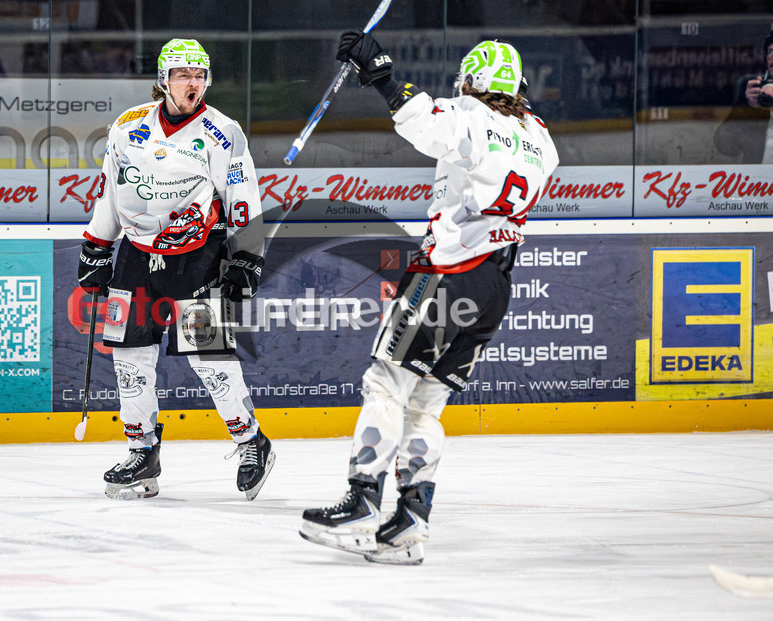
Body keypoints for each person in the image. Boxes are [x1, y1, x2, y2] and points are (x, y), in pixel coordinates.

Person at [300, 31, 559, 564]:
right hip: (494, 285)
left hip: (446, 272)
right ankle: (410, 525)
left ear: (472, 82)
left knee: (386, 384)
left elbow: (424, 122)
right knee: (426, 406)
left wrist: (382, 74)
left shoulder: (471, 115)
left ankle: (362, 504)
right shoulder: (541, 138)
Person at [77, 38, 274, 501]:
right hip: (135, 254)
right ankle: (142, 451)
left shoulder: (223, 132)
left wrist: (246, 257)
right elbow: (111, 191)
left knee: (209, 357)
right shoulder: (127, 126)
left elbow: (243, 195)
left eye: (200, 75)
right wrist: (97, 246)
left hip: (197, 258)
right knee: (129, 358)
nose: (193, 83)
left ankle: (251, 441)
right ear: (163, 80)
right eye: (183, 74)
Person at [714, 26, 773, 164]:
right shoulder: (754, 88)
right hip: (757, 175)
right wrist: (747, 108)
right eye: (770, 51)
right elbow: (724, 144)